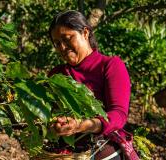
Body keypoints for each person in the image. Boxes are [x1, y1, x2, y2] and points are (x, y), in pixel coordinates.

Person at [47, 10, 139, 160]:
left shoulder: (110, 65)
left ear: (85, 33)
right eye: (57, 43)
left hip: (102, 148)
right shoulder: (56, 75)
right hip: (64, 152)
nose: (63, 47)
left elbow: (119, 114)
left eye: (67, 38)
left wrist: (83, 125)